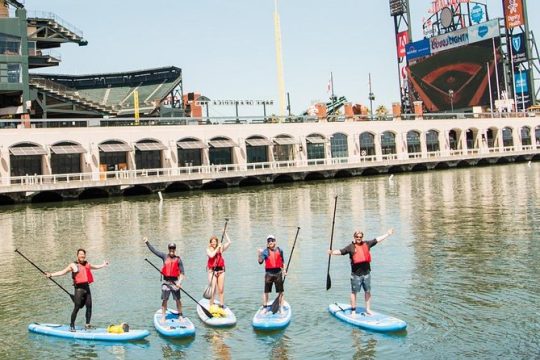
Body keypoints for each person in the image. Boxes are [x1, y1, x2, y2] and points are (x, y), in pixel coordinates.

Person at [328, 228, 394, 316]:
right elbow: (341, 251)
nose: (359, 238)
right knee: (354, 292)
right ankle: (353, 311)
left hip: (366, 273)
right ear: (354, 237)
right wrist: (331, 252)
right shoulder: (350, 247)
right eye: (357, 237)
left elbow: (377, 240)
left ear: (362, 237)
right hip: (356, 275)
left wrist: (387, 234)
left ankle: (368, 310)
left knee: (368, 291)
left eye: (360, 237)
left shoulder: (367, 244)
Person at [45, 248, 109, 331]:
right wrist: (51, 274)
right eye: (80, 254)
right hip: (79, 289)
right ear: (77, 255)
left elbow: (95, 267)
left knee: (89, 306)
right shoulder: (73, 265)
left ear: (85, 256)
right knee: (77, 307)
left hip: (87, 288)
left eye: (83, 254)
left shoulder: (87, 264)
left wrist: (103, 265)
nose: (82, 255)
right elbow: (62, 272)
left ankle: (87, 324)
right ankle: (72, 325)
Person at [144, 237, 185, 321]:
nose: (172, 250)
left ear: (175, 249)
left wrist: (179, 282)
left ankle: (180, 315)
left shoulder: (178, 259)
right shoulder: (164, 256)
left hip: (175, 282)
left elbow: (182, 273)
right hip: (166, 282)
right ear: (168, 249)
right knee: (164, 300)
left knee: (178, 300)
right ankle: (163, 316)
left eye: (173, 248)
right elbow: (154, 251)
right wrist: (147, 242)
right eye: (170, 248)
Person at [257, 234, 286, 313]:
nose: (270, 242)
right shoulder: (265, 251)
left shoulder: (280, 250)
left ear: (275, 242)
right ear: (267, 243)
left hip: (278, 273)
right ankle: (265, 307)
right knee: (266, 291)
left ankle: (281, 308)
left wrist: (284, 271)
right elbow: (260, 262)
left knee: (281, 292)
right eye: (269, 241)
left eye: (272, 240)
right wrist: (259, 254)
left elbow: (282, 261)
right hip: (269, 274)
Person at [206, 232, 231, 308]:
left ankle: (221, 305)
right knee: (213, 290)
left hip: (221, 271)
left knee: (221, 289)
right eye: (212, 242)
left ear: (217, 242)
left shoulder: (220, 249)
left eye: (215, 242)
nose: (213, 243)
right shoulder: (208, 250)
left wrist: (225, 232)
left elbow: (229, 242)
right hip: (212, 271)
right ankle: (211, 305)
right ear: (210, 243)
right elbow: (211, 255)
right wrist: (218, 247)